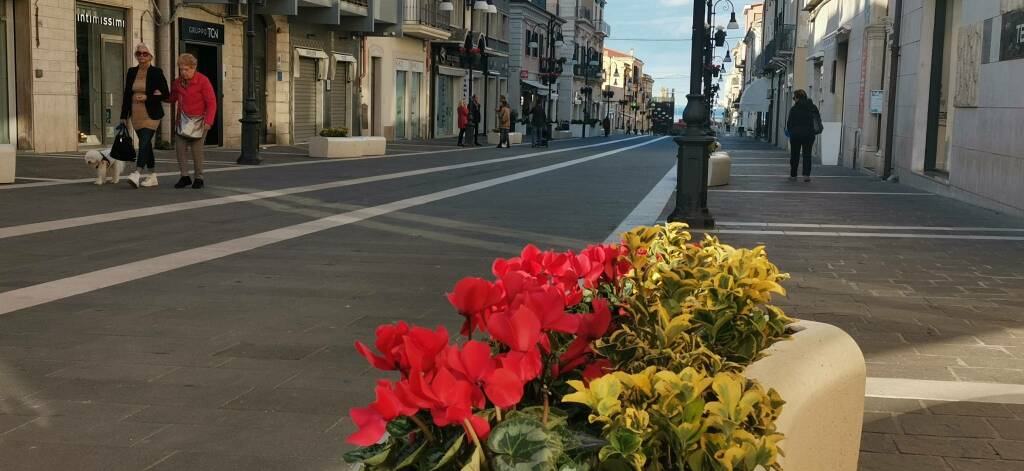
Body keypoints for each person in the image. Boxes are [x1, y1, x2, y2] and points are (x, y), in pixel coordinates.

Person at [121, 43, 169, 189]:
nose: (142, 56)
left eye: (145, 53)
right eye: (139, 53)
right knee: (146, 145)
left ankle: (137, 172)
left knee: (143, 143)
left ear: (150, 56)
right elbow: (127, 94)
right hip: (136, 113)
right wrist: (124, 115)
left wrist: (148, 97)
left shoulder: (156, 72)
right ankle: (153, 175)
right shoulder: (131, 71)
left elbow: (166, 94)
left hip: (152, 114)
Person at [167, 53, 217, 189]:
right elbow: (172, 98)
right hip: (182, 122)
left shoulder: (203, 81)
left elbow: (212, 103)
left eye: (186, 69)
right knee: (180, 149)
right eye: (181, 69)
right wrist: (161, 96)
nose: (183, 72)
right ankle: (184, 176)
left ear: (194, 67)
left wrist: (209, 121)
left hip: (199, 122)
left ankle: (199, 177)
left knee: (197, 151)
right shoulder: (177, 82)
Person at [785, 89, 821, 182]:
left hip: (796, 135)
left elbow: (789, 123)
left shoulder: (794, 109)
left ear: (797, 98)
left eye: (794, 98)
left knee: (795, 155)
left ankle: (793, 175)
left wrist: (791, 131)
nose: (794, 100)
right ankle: (806, 175)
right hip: (809, 134)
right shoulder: (813, 107)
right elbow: (817, 120)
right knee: (807, 155)